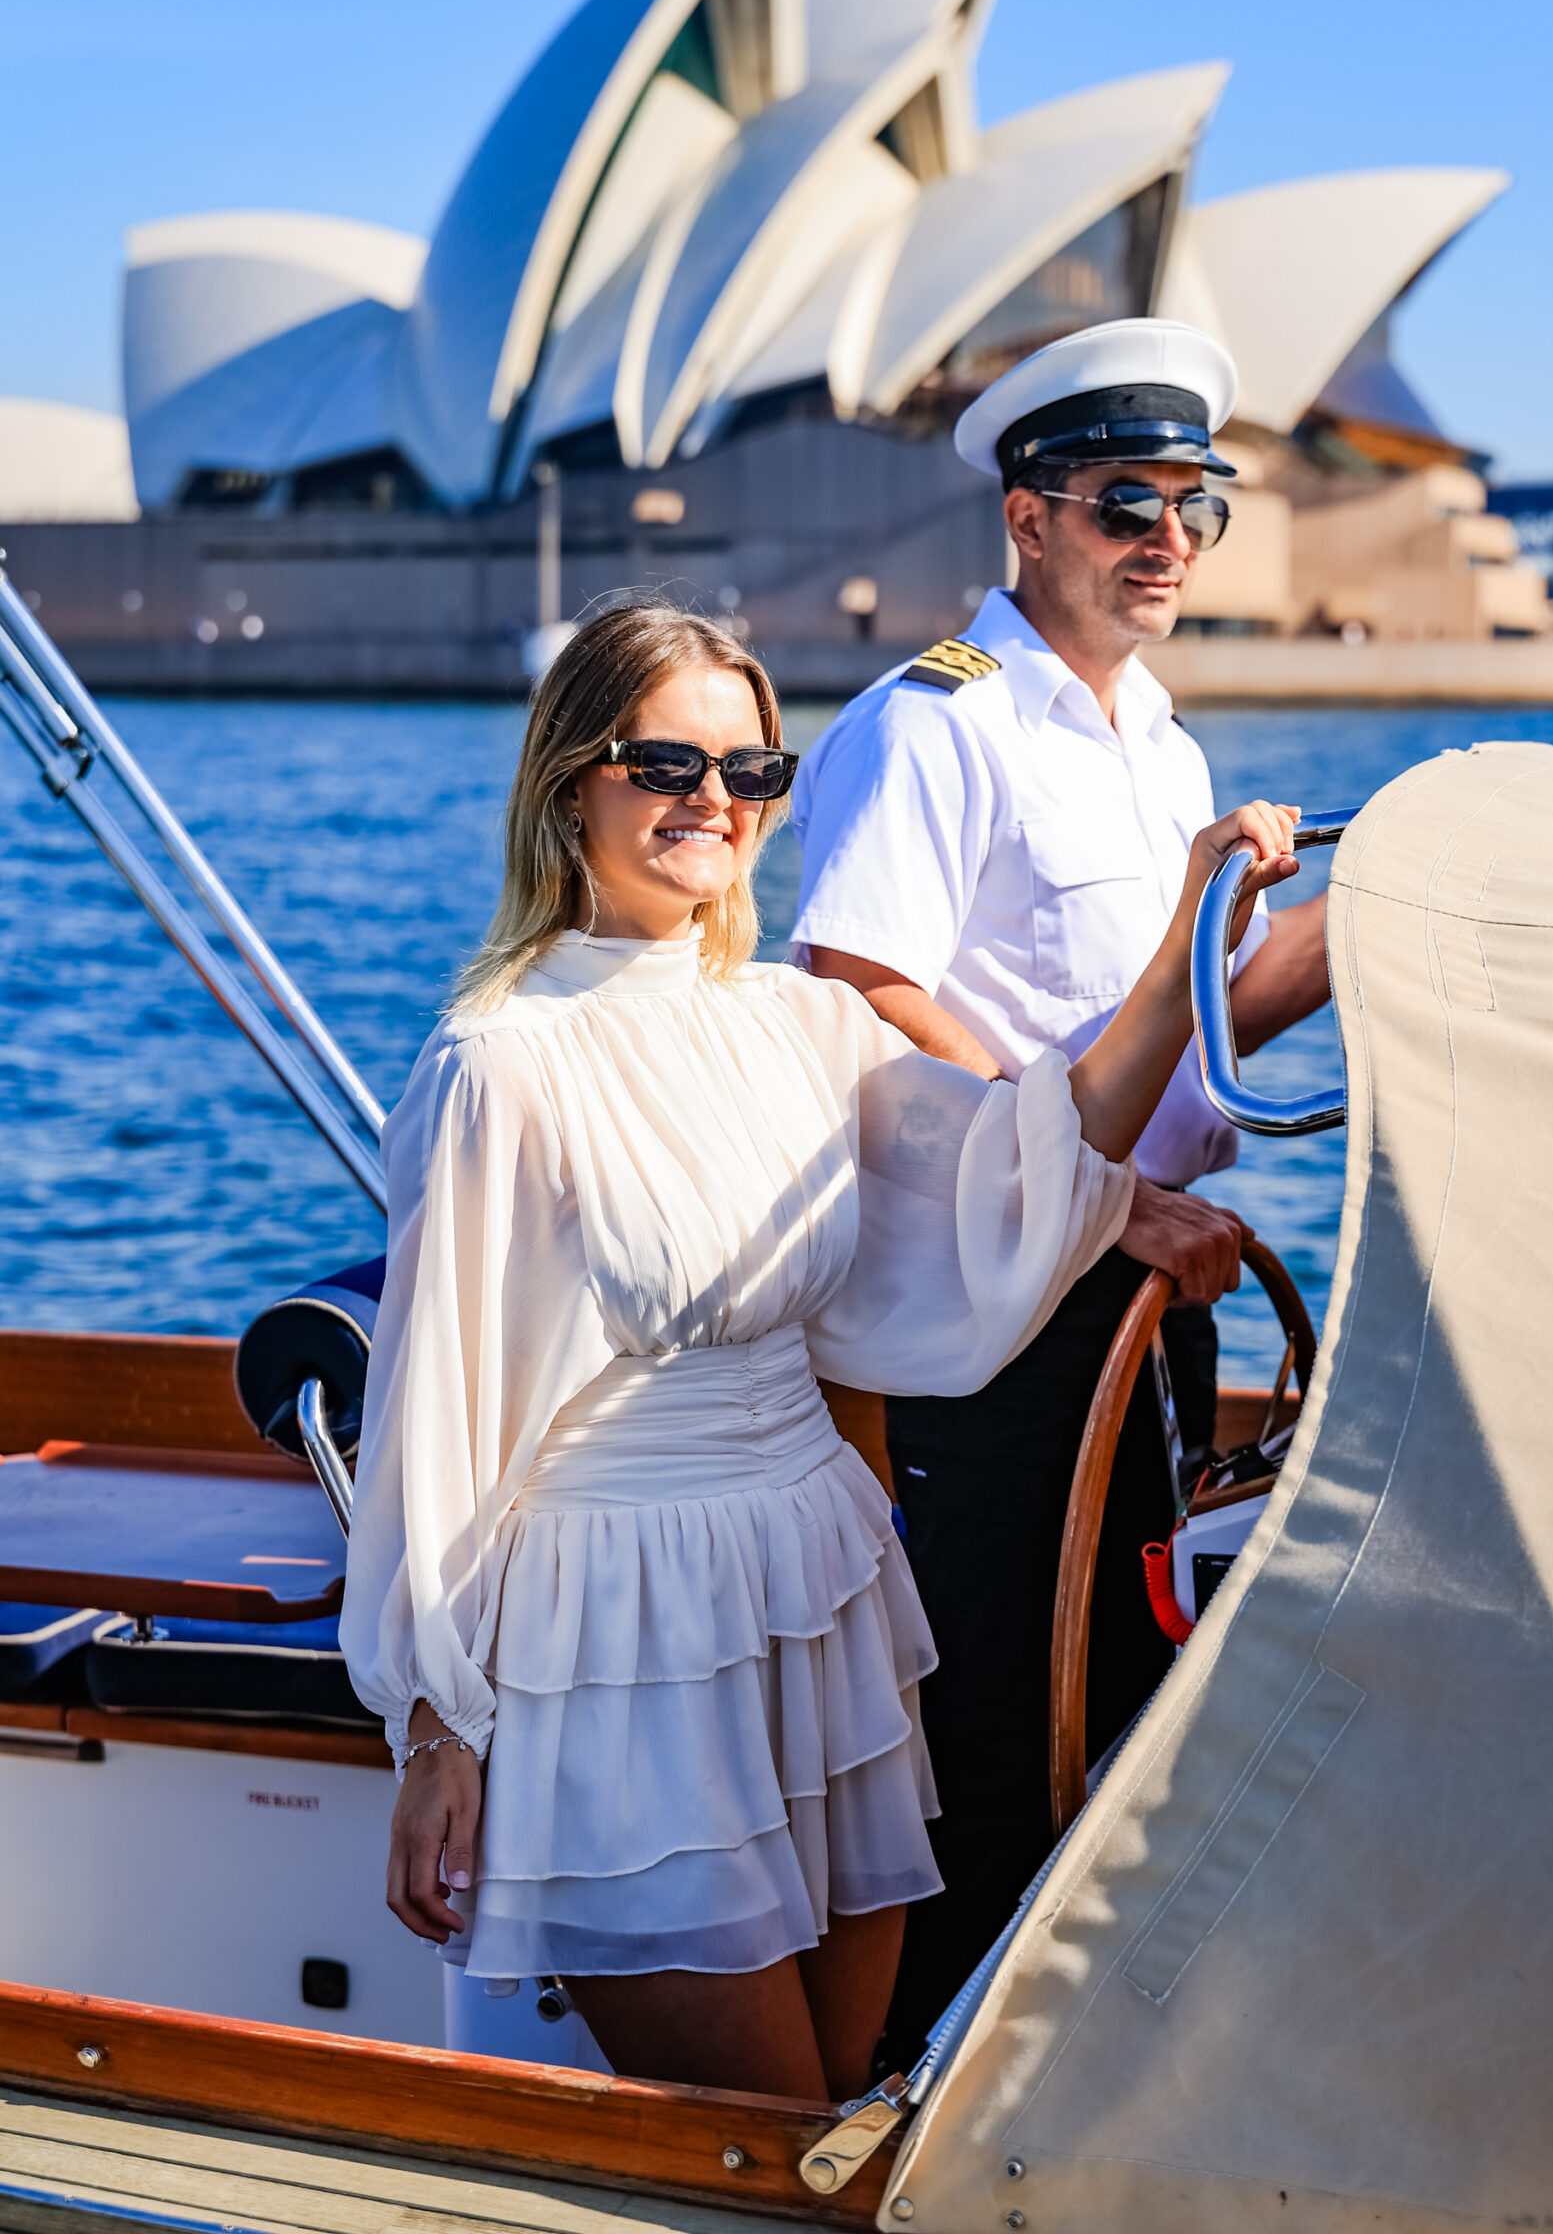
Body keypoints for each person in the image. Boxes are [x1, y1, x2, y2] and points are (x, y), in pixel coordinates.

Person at [340, 599, 1298, 2105]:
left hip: (820, 1601)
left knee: (843, 2111)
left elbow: (1025, 1154)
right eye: (668, 762)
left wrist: (1190, 923)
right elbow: (440, 1419)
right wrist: (433, 1728)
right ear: (570, 776)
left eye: (752, 770)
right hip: (627, 1640)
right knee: (763, 2135)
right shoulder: (499, 1061)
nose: (714, 801)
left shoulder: (799, 1024)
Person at [788, 317, 1332, 2058]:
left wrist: (1378, 907)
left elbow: (1187, 1024)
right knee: (995, 1737)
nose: (1166, 536)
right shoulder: (933, 724)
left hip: (1148, 1298)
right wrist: (1103, 1206)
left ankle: (1075, 2084)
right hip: (1002, 1305)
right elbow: (862, 996)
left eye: (1193, 503)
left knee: (1125, 1696)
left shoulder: (1161, 749)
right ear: (1029, 519)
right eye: (1125, 501)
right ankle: (925, 2101)